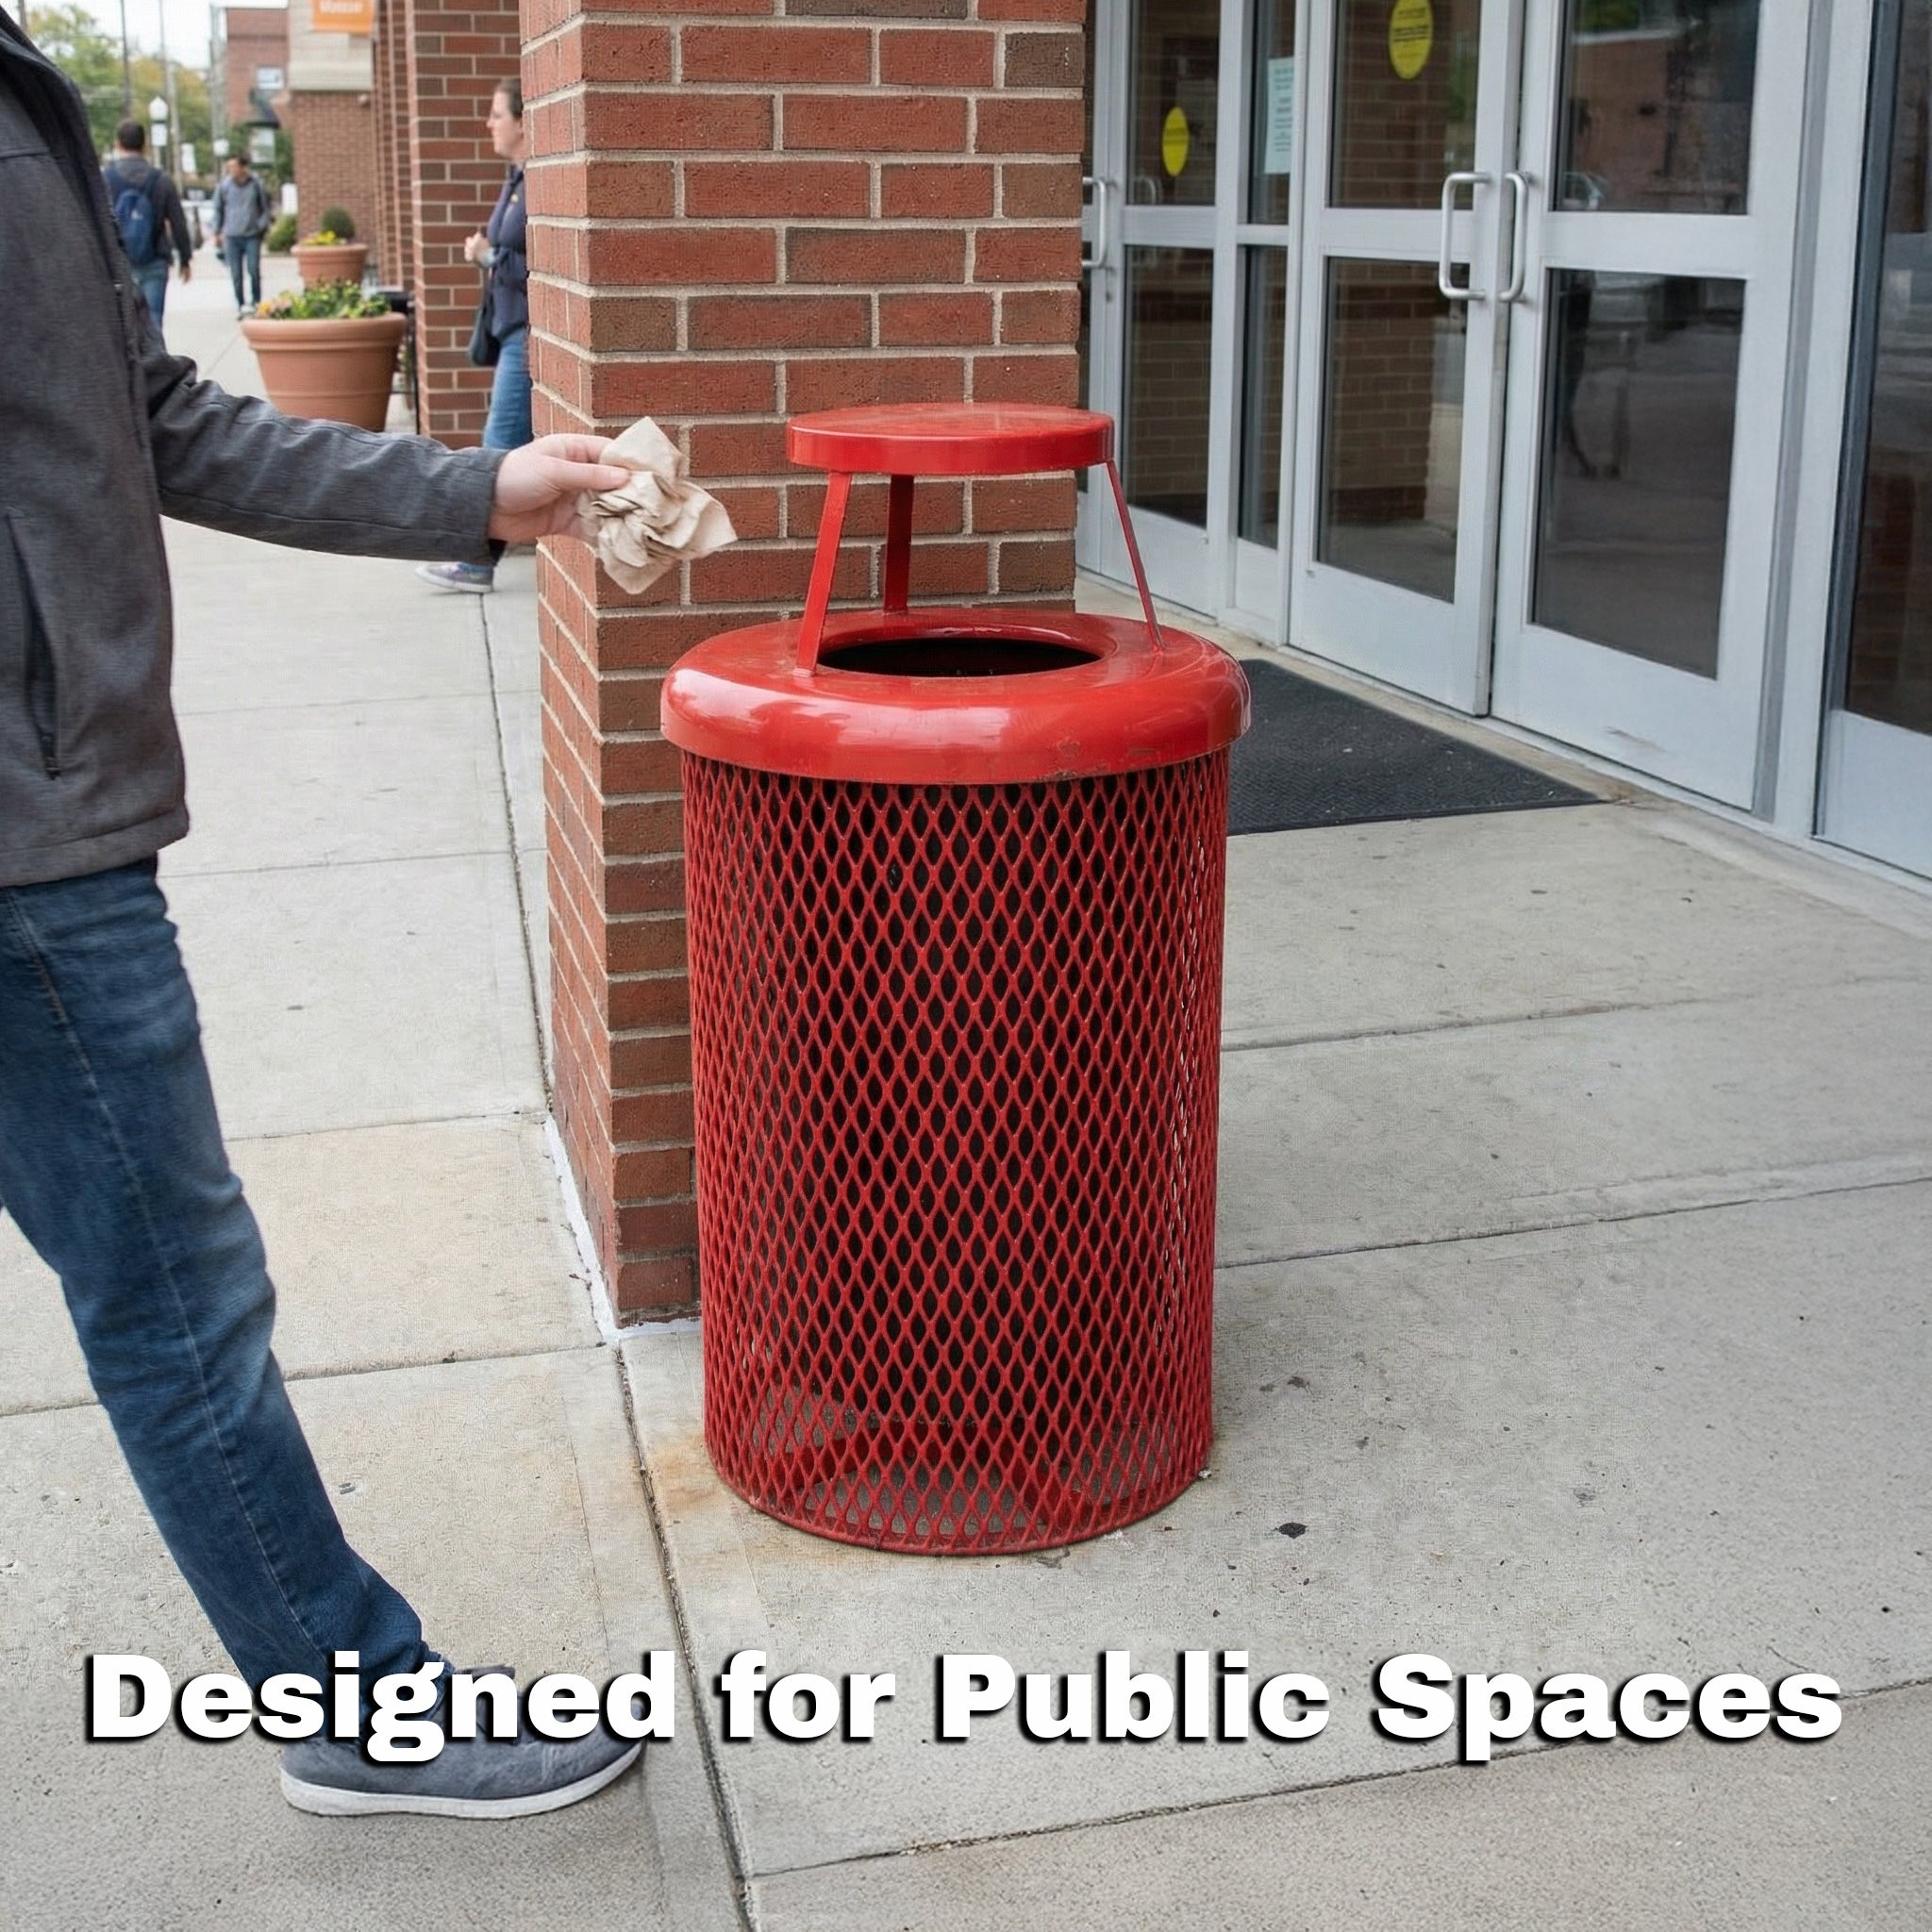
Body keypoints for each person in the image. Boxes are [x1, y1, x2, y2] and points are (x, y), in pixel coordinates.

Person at [1, 15, 642, 1817]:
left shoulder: (15, 86)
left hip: (54, 801)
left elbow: (148, 420)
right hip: (25, 838)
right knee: (173, 1286)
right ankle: (352, 1702)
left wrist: (476, 489)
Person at [418, 79, 531, 595]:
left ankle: (476, 563)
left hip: (525, 335)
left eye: (496, 114)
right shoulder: (516, 179)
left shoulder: (536, 183)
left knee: (497, 448)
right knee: (509, 448)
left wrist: (488, 258)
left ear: (524, 121)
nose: (489, 123)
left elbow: (539, 263)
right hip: (509, 329)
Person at [102, 118, 193, 324]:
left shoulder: (105, 179)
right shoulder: (161, 180)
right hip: (155, 260)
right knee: (153, 321)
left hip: (119, 263)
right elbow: (178, 222)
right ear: (145, 145)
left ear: (117, 144)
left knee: (123, 325)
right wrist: (185, 259)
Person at [211, 151, 272, 316]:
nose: (231, 170)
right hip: (232, 236)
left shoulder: (256, 184)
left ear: (243, 167)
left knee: (253, 270)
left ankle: (257, 303)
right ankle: (240, 304)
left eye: (234, 166)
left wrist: (260, 225)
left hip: (252, 235)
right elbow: (218, 209)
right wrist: (216, 232)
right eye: (229, 167)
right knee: (236, 273)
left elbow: (266, 208)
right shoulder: (224, 186)